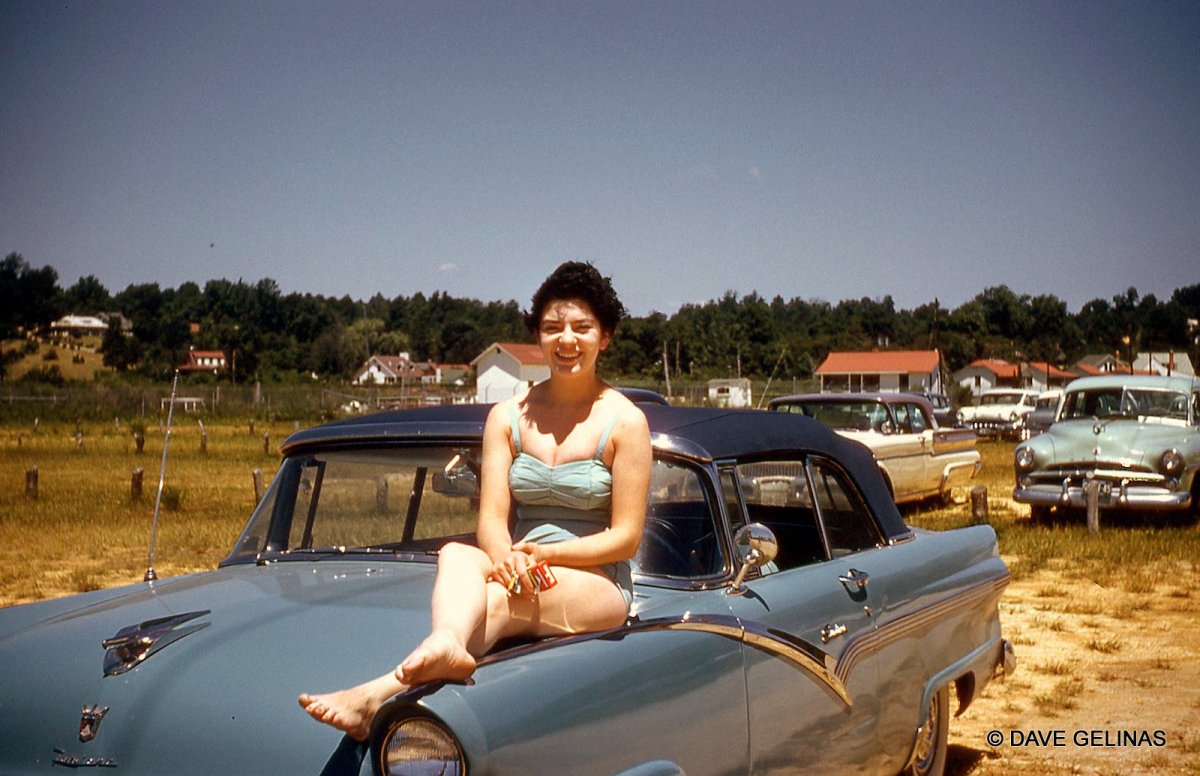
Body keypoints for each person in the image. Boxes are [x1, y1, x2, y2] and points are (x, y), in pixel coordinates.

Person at [299, 261, 652, 741]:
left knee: (499, 602)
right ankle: (447, 641)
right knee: (455, 552)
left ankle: (375, 695)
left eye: (581, 327)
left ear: (604, 337)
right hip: (521, 564)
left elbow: (625, 539)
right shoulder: (507, 417)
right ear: (538, 337)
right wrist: (506, 557)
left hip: (596, 582)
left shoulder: (626, 422)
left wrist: (544, 554)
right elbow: (491, 519)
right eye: (552, 328)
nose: (566, 339)